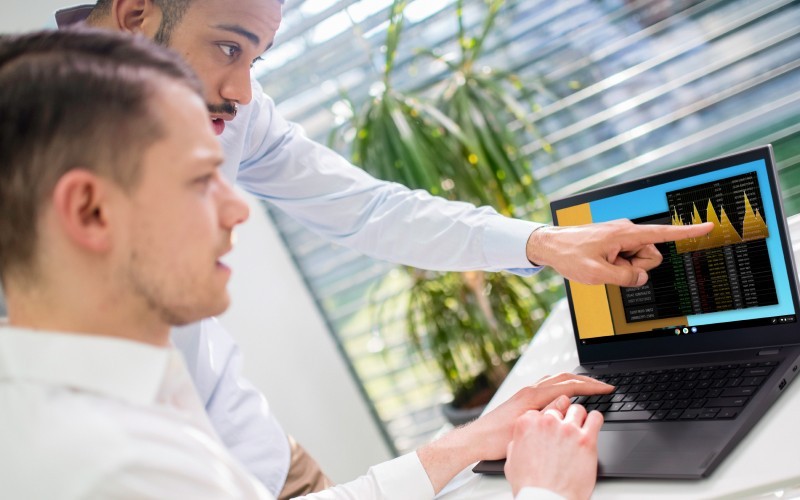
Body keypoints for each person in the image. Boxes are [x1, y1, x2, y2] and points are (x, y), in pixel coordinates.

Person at [53, 1, 715, 496]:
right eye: (229, 49)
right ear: (137, 14)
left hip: (262, 458)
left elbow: (366, 208)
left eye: (255, 59)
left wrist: (544, 244)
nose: (244, 92)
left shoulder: (220, 100)